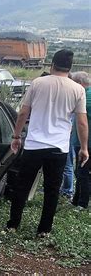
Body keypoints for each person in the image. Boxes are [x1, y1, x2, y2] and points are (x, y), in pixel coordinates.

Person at [7, 49, 89, 237]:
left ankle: (13, 224)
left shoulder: (37, 83)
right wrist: (84, 148)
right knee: (52, 190)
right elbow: (82, 122)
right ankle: (44, 229)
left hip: (34, 145)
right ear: (70, 68)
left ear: (51, 65)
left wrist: (16, 136)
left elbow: (23, 113)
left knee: (22, 186)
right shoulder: (78, 89)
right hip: (59, 147)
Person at [70, 71, 91, 209]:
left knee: (83, 172)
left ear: (79, 84)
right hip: (83, 141)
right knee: (80, 170)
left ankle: (82, 203)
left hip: (86, 142)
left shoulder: (86, 96)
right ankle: (76, 200)